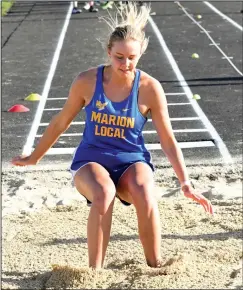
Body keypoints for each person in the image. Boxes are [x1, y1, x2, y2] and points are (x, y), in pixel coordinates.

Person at [12, 2, 213, 269]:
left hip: (131, 161)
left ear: (141, 53)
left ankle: (155, 264)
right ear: (109, 51)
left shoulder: (149, 88)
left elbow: (167, 139)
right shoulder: (86, 81)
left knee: (144, 191)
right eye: (119, 57)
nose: (125, 64)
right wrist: (35, 157)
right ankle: (94, 271)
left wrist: (185, 182)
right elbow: (61, 121)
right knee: (104, 192)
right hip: (92, 161)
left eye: (132, 57)